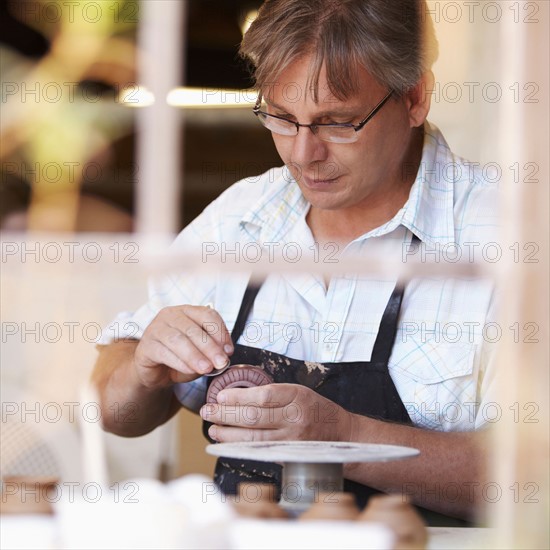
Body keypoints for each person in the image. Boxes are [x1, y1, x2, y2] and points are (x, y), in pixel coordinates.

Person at [93, 0, 499, 525]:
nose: (302, 155)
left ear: (415, 96)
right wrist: (142, 370)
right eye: (282, 118)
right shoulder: (243, 219)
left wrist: (345, 437)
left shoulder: (507, 234)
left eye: (336, 122)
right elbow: (110, 408)